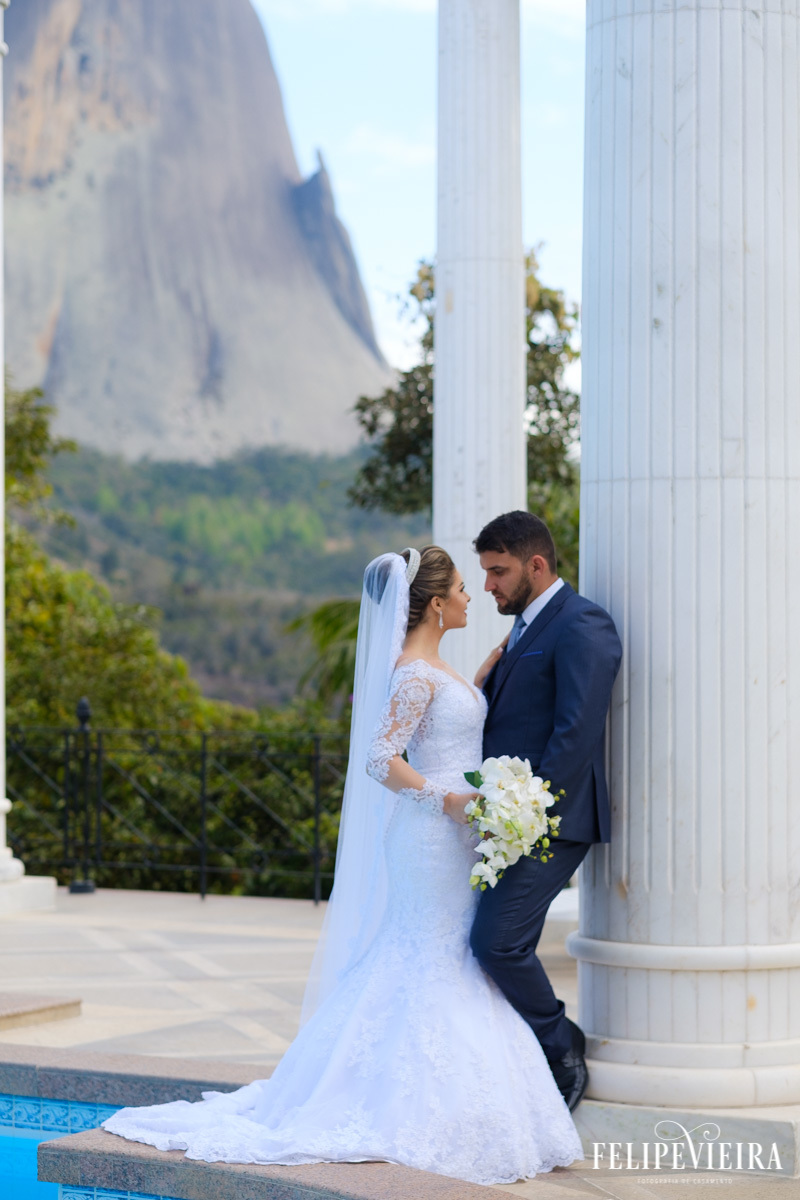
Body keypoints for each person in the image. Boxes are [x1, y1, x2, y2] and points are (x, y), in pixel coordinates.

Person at [102, 546, 582, 1186]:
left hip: (456, 836)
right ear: (435, 604)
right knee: (428, 952)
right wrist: (448, 803)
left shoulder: (435, 668)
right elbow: (380, 758)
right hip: (431, 835)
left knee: (449, 952)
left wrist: (479, 682)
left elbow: (447, 729)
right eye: (463, 588)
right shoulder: (415, 673)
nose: (471, 597)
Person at [471, 511, 622, 1112]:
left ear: (535, 564)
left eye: (498, 571)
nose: (488, 586)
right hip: (508, 822)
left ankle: (561, 1045)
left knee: (496, 943)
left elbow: (575, 732)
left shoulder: (582, 622)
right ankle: (523, 1059)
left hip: (552, 821)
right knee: (488, 943)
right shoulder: (523, 628)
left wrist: (530, 815)